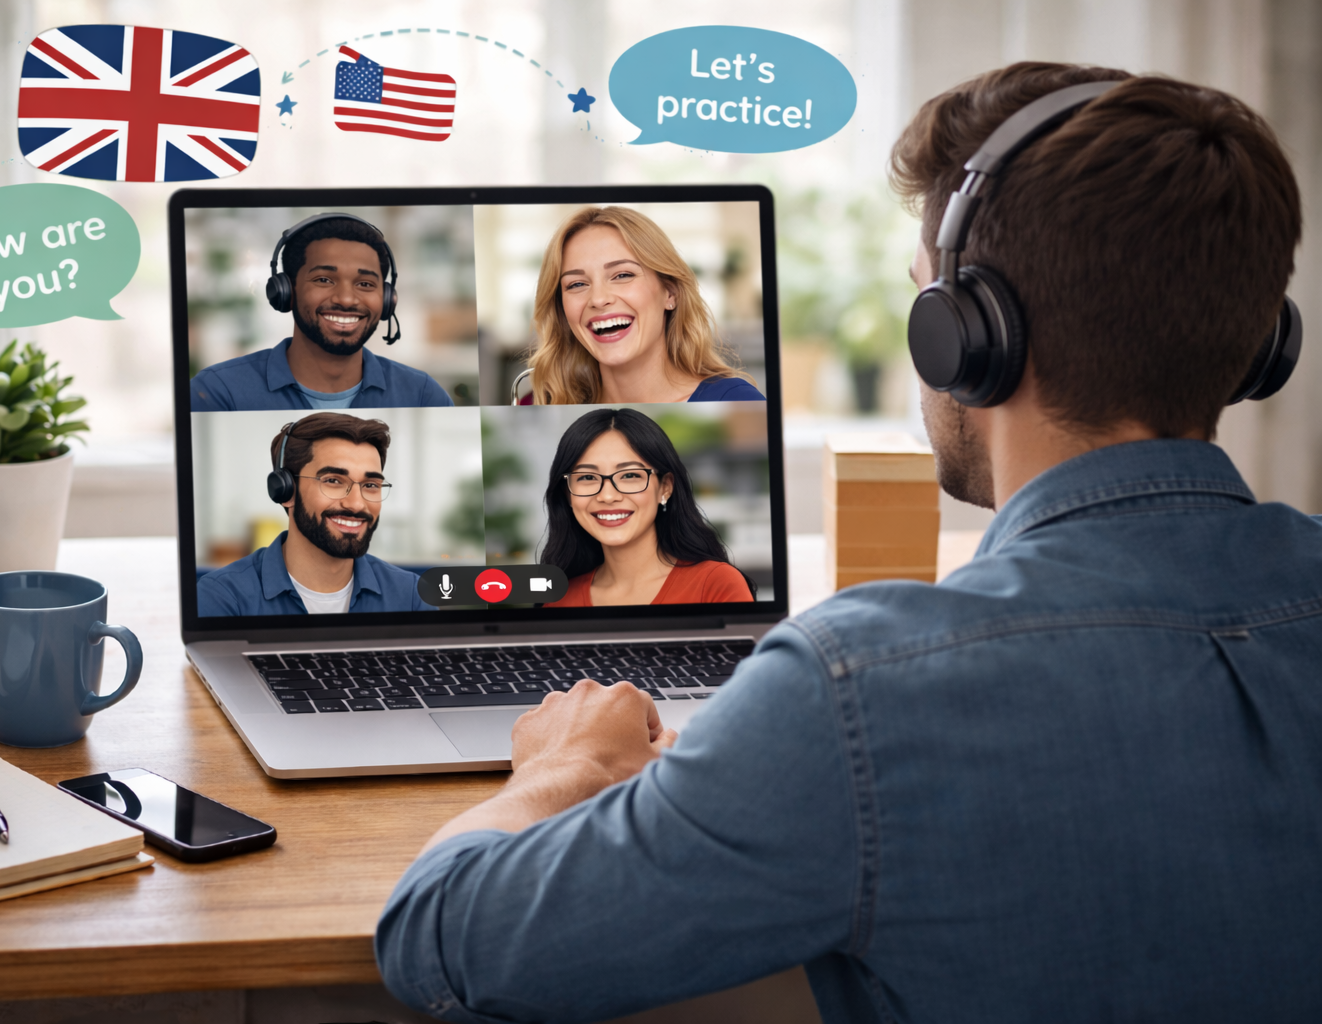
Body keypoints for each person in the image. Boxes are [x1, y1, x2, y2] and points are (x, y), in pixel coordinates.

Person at [374, 65, 1322, 1023]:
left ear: (966, 336)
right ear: (1256, 342)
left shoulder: (861, 688)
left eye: (924, 296)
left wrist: (565, 768)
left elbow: (442, 937)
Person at [190, 215, 454, 411]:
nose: (347, 299)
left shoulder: (423, 395)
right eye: (324, 280)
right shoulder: (218, 393)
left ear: (386, 299)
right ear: (285, 291)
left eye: (365, 284)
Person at [519, 206, 764, 405]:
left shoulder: (736, 402)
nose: (598, 299)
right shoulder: (538, 405)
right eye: (576, 284)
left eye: (623, 275)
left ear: (670, 292)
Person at [198, 413, 433, 616]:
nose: (357, 504)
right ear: (285, 490)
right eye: (333, 481)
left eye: (370, 485)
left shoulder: (411, 596)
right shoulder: (224, 597)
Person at [539, 408, 754, 606]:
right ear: (567, 494)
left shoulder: (715, 584)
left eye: (630, 475)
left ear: (665, 488)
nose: (607, 495)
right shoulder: (557, 598)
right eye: (587, 477)